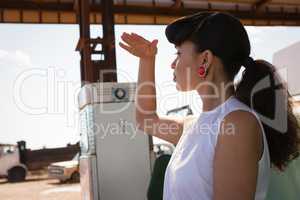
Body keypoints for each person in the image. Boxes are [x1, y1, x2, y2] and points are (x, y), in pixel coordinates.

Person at [119, 11, 300, 200]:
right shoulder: (196, 124)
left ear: (205, 59)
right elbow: (146, 120)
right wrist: (147, 59)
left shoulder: (238, 123)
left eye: (179, 54)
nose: (173, 64)